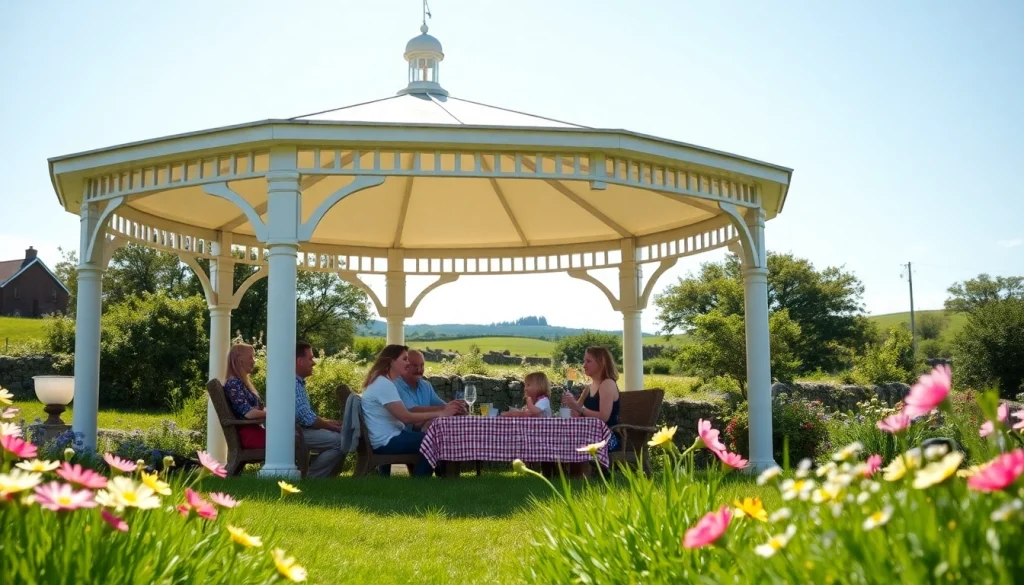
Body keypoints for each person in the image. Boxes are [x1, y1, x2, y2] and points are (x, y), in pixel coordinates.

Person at [361, 344, 460, 476]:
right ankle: (420, 482)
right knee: (435, 441)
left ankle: (426, 479)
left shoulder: (383, 381)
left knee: (434, 438)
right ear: (392, 361)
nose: (408, 363)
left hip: (388, 437)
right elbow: (406, 417)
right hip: (387, 441)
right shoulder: (384, 384)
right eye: (404, 359)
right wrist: (441, 413)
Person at [294, 341, 346, 478]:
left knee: (341, 438)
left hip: (299, 430)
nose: (314, 363)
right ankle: (313, 478)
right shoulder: (293, 383)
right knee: (341, 441)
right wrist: (332, 427)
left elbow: (305, 416)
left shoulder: (296, 382)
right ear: (300, 361)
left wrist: (329, 422)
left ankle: (320, 477)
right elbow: (306, 418)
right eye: (310, 358)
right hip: (294, 432)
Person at [561, 346, 622, 451]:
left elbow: (604, 417)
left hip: (607, 437)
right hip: (588, 434)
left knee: (570, 445)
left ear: (601, 362)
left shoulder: (607, 383)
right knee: (559, 441)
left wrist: (579, 408)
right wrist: (568, 404)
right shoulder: (589, 387)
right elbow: (576, 413)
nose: (584, 365)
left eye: (588, 361)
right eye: (584, 361)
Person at [395, 349, 466, 429]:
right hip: (403, 435)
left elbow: (440, 404)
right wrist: (447, 408)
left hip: (424, 432)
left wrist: (456, 409)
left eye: (422, 365)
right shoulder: (396, 385)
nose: (419, 369)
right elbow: (412, 410)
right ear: (405, 366)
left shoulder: (426, 385)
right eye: (415, 366)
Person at [222, 343, 266, 449]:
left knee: (291, 438)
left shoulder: (239, 382)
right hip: (249, 435)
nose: (254, 361)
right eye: (251, 357)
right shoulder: (234, 383)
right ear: (239, 359)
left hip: (254, 431)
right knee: (288, 441)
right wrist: (273, 414)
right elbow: (249, 413)